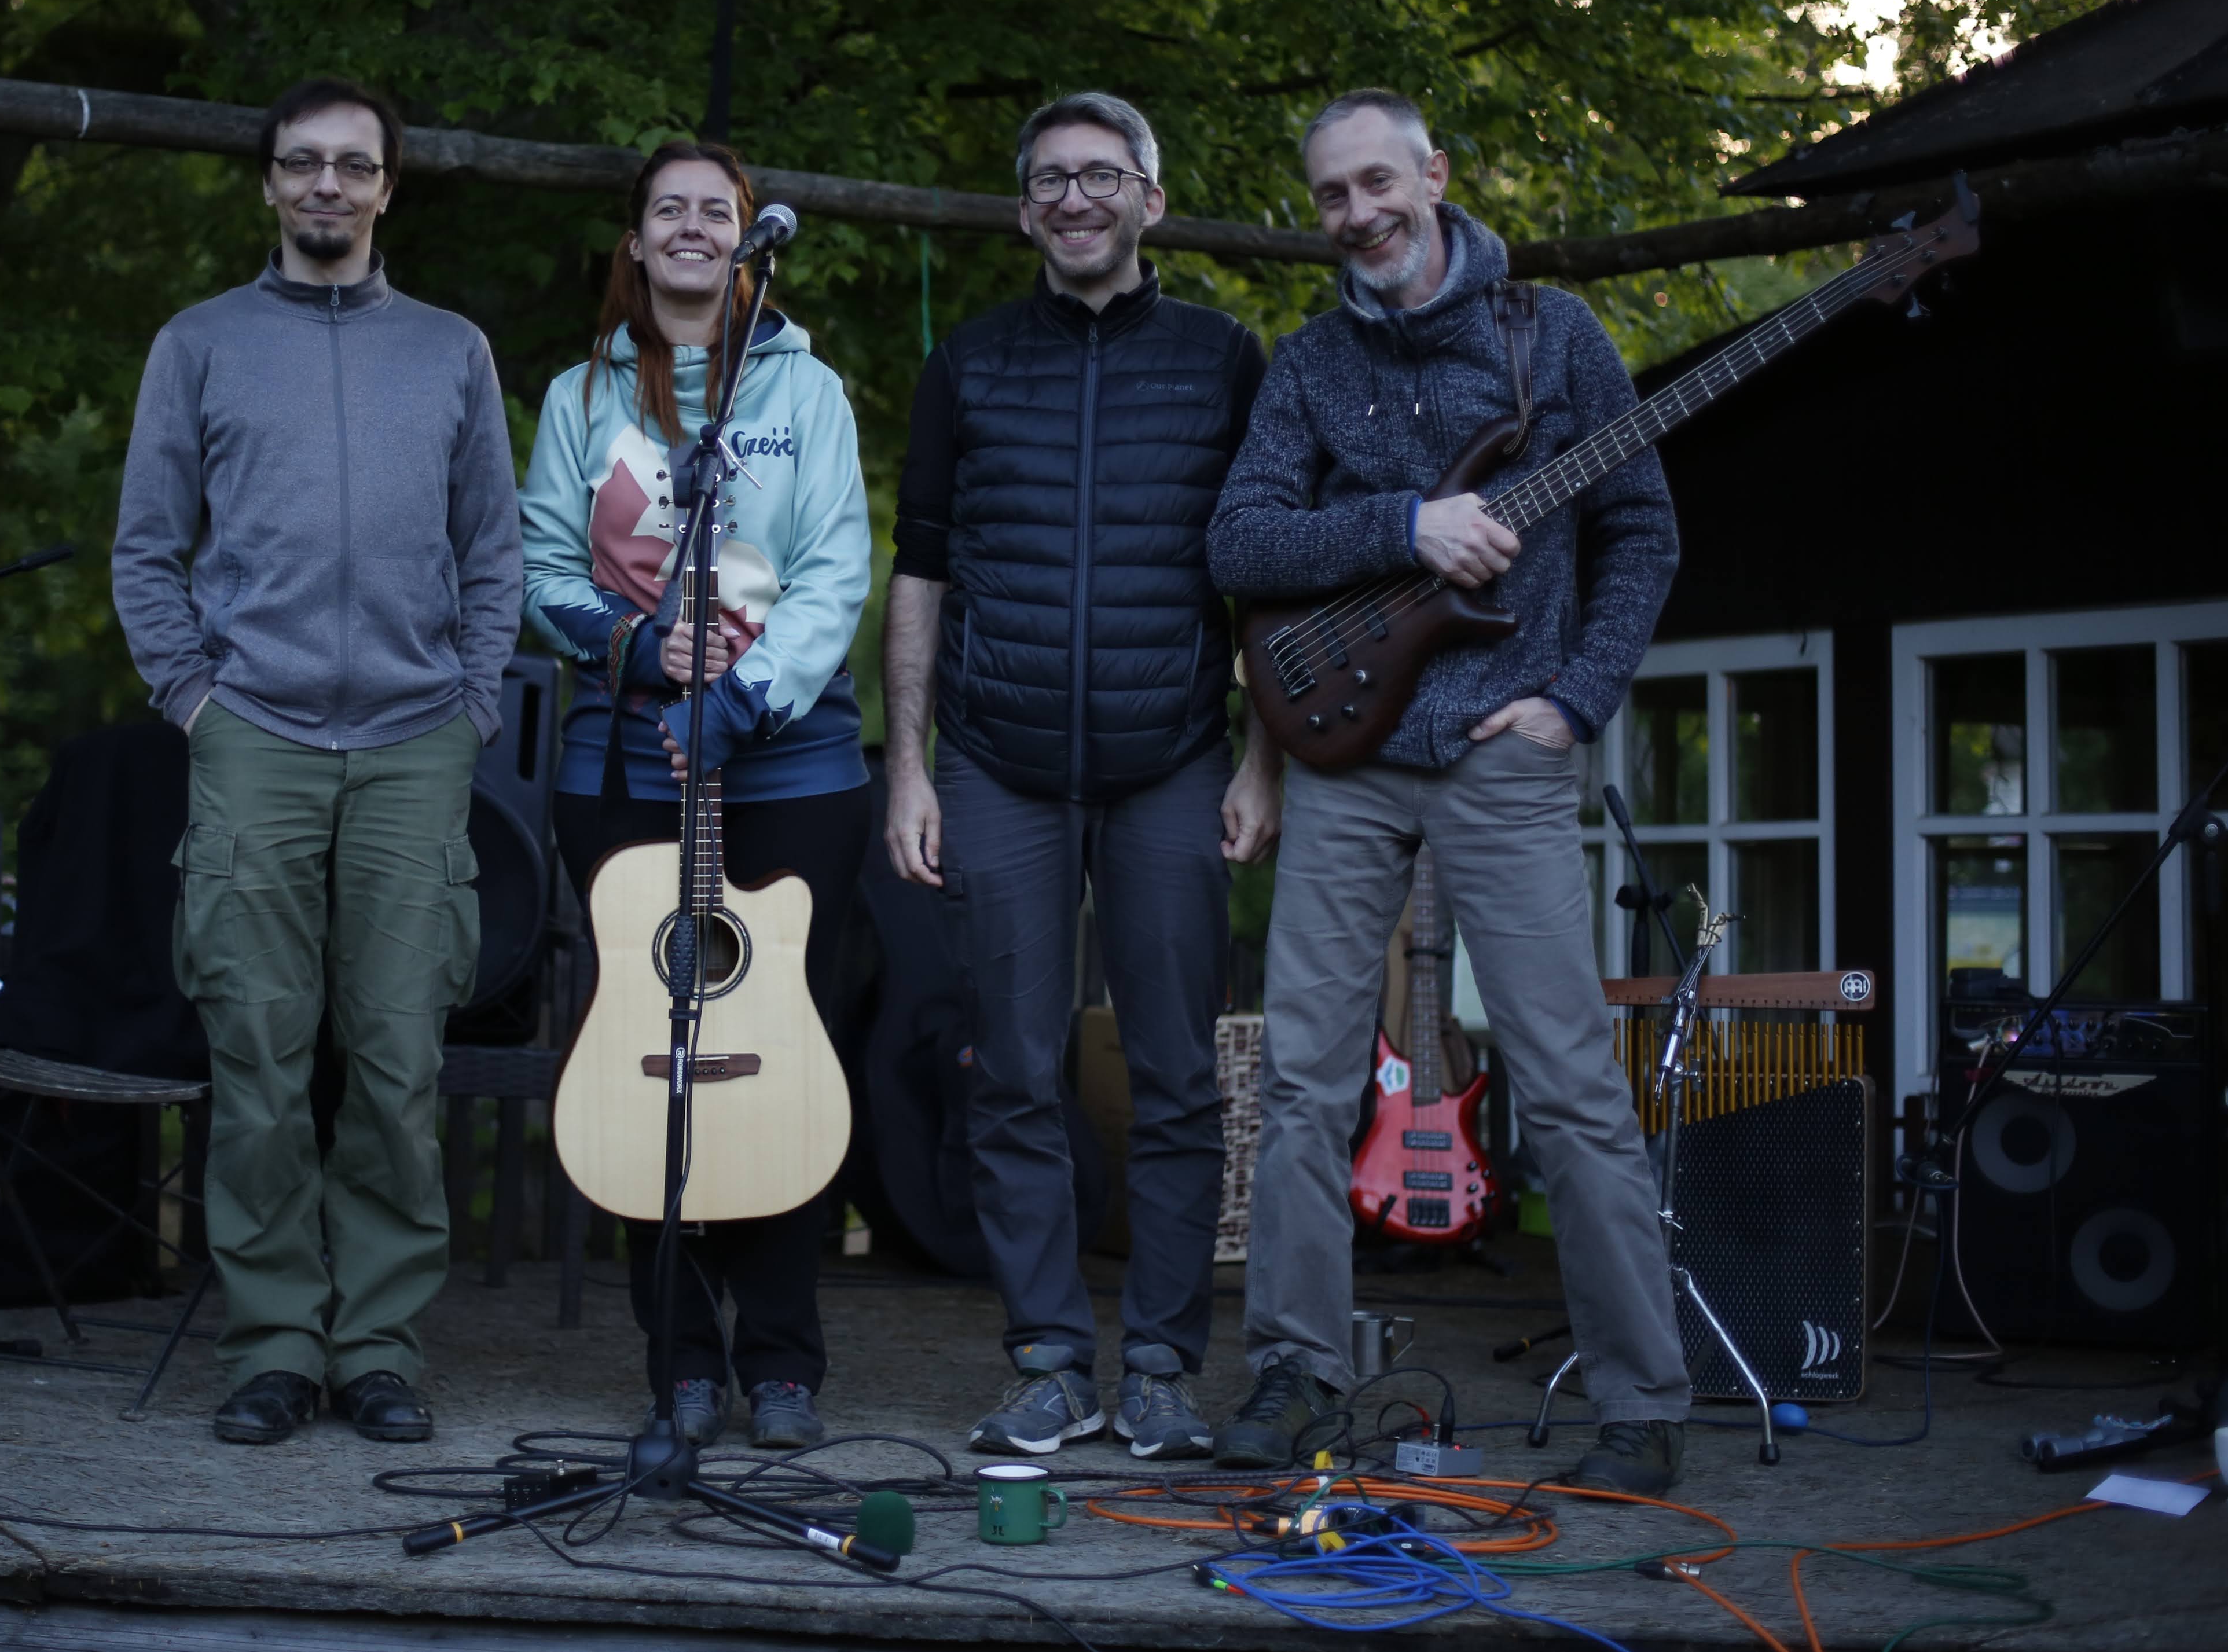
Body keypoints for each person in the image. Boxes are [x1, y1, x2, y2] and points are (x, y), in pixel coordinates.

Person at [1206, 88, 1691, 1495]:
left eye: (1377, 182)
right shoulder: (1309, 366)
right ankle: (1298, 1374)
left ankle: (1640, 1403)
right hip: (1346, 758)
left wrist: (1576, 701)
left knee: (1569, 1081)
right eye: (1331, 195)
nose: (1356, 214)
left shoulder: (1556, 335)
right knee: (1301, 1081)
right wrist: (1402, 525)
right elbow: (1238, 542)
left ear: (1432, 174)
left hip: (1504, 752)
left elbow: (1643, 533)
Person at [112, 76, 523, 1448]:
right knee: (258, 1061)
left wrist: (470, 704)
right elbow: (145, 548)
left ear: (388, 186)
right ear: (270, 182)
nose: (328, 185)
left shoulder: (452, 350)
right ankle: (276, 1344)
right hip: (256, 738)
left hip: (415, 743)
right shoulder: (200, 344)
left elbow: (494, 552)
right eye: (303, 163)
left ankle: (380, 1346)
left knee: (399, 1066)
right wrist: (195, 700)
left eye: (354, 164)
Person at [884, 93, 1278, 1460]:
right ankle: (1050, 1361)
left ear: (1149, 201)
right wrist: (909, 768)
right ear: (1022, 211)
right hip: (996, 767)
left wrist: (1263, 756)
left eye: (1101, 176)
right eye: (1050, 180)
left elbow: (1266, 571)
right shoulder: (967, 365)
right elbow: (919, 571)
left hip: (1172, 761)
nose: (1074, 199)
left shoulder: (1226, 359)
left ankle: (1161, 1364)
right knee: (1011, 1073)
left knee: (1178, 1072)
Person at [520, 141, 872, 1452]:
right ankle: (675, 1358)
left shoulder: (810, 390)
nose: (689, 226)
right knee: (644, 1049)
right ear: (635, 239)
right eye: (665, 208)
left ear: (743, 238)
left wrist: (739, 697)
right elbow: (537, 566)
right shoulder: (579, 395)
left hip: (788, 758)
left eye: (713, 210)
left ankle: (781, 1361)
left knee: (776, 1049)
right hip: (621, 760)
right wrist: (634, 650)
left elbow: (835, 567)